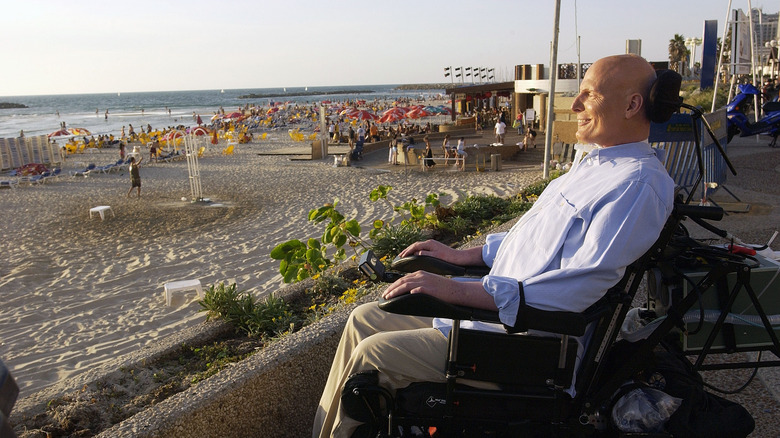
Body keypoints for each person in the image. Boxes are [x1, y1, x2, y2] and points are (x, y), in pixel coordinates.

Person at [313, 54, 676, 438]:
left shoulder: (637, 185)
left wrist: (456, 289)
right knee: (364, 319)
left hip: (526, 346)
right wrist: (459, 257)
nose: (575, 105)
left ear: (633, 104)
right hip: (496, 321)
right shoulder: (595, 165)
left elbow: (574, 288)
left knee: (375, 354)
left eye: (589, 94)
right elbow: (533, 239)